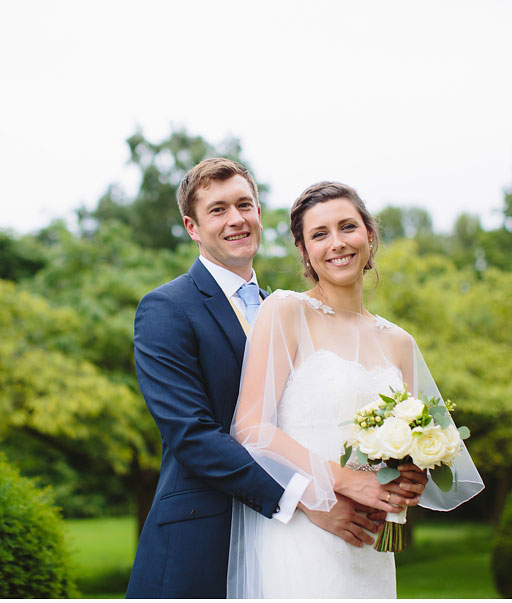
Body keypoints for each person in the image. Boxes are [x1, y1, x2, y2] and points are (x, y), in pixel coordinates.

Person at [126, 161, 415, 598]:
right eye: (218, 209)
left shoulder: (288, 309)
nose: (236, 219)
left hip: (322, 540)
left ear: (260, 210)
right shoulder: (167, 308)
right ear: (192, 226)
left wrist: (398, 468)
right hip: (204, 538)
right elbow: (192, 435)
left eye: (245, 204)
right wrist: (310, 499)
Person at [227, 181, 484, 598]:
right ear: (303, 249)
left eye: (347, 226)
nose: (337, 243)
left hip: (370, 540)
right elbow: (251, 427)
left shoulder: (399, 341)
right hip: (303, 532)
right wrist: (345, 482)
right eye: (319, 234)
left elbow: (430, 440)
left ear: (369, 233)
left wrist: (412, 474)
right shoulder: (287, 311)